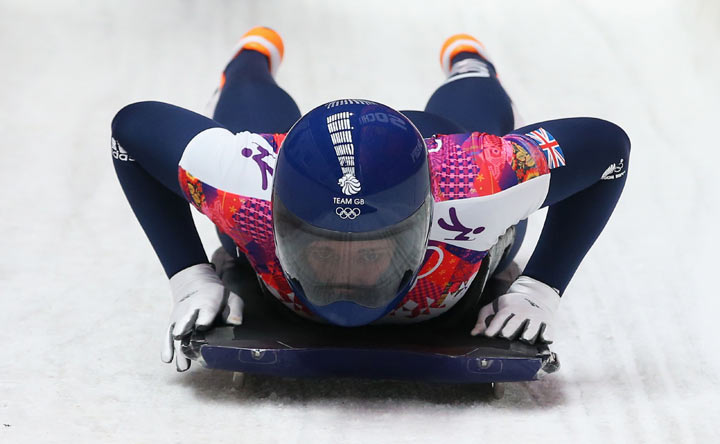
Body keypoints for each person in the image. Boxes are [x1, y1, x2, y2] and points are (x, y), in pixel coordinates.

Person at [111, 27, 630, 371]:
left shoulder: (480, 181)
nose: (346, 282)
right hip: (285, 167)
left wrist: (542, 289)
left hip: (442, 143)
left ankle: (470, 64)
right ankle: (251, 58)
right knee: (247, 127)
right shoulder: (246, 184)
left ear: (422, 223)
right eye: (322, 251)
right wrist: (188, 276)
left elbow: (609, 151)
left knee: (470, 127)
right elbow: (129, 131)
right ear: (282, 221)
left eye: (370, 254)